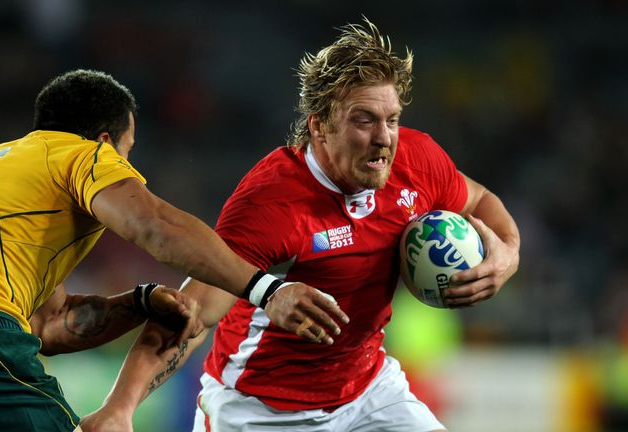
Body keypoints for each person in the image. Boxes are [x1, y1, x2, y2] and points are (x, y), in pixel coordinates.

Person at [93, 19, 521, 432]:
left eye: (391, 119)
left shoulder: (417, 159)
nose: (384, 137)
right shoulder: (273, 201)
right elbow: (193, 313)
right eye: (363, 119)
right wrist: (119, 407)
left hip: (368, 391)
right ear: (319, 125)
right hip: (261, 408)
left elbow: (478, 199)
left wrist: (508, 253)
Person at [0, 69, 347, 432]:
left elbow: (48, 327)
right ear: (104, 140)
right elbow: (153, 226)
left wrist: (137, 304)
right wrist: (265, 288)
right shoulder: (80, 155)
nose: (126, 166)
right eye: (128, 151)